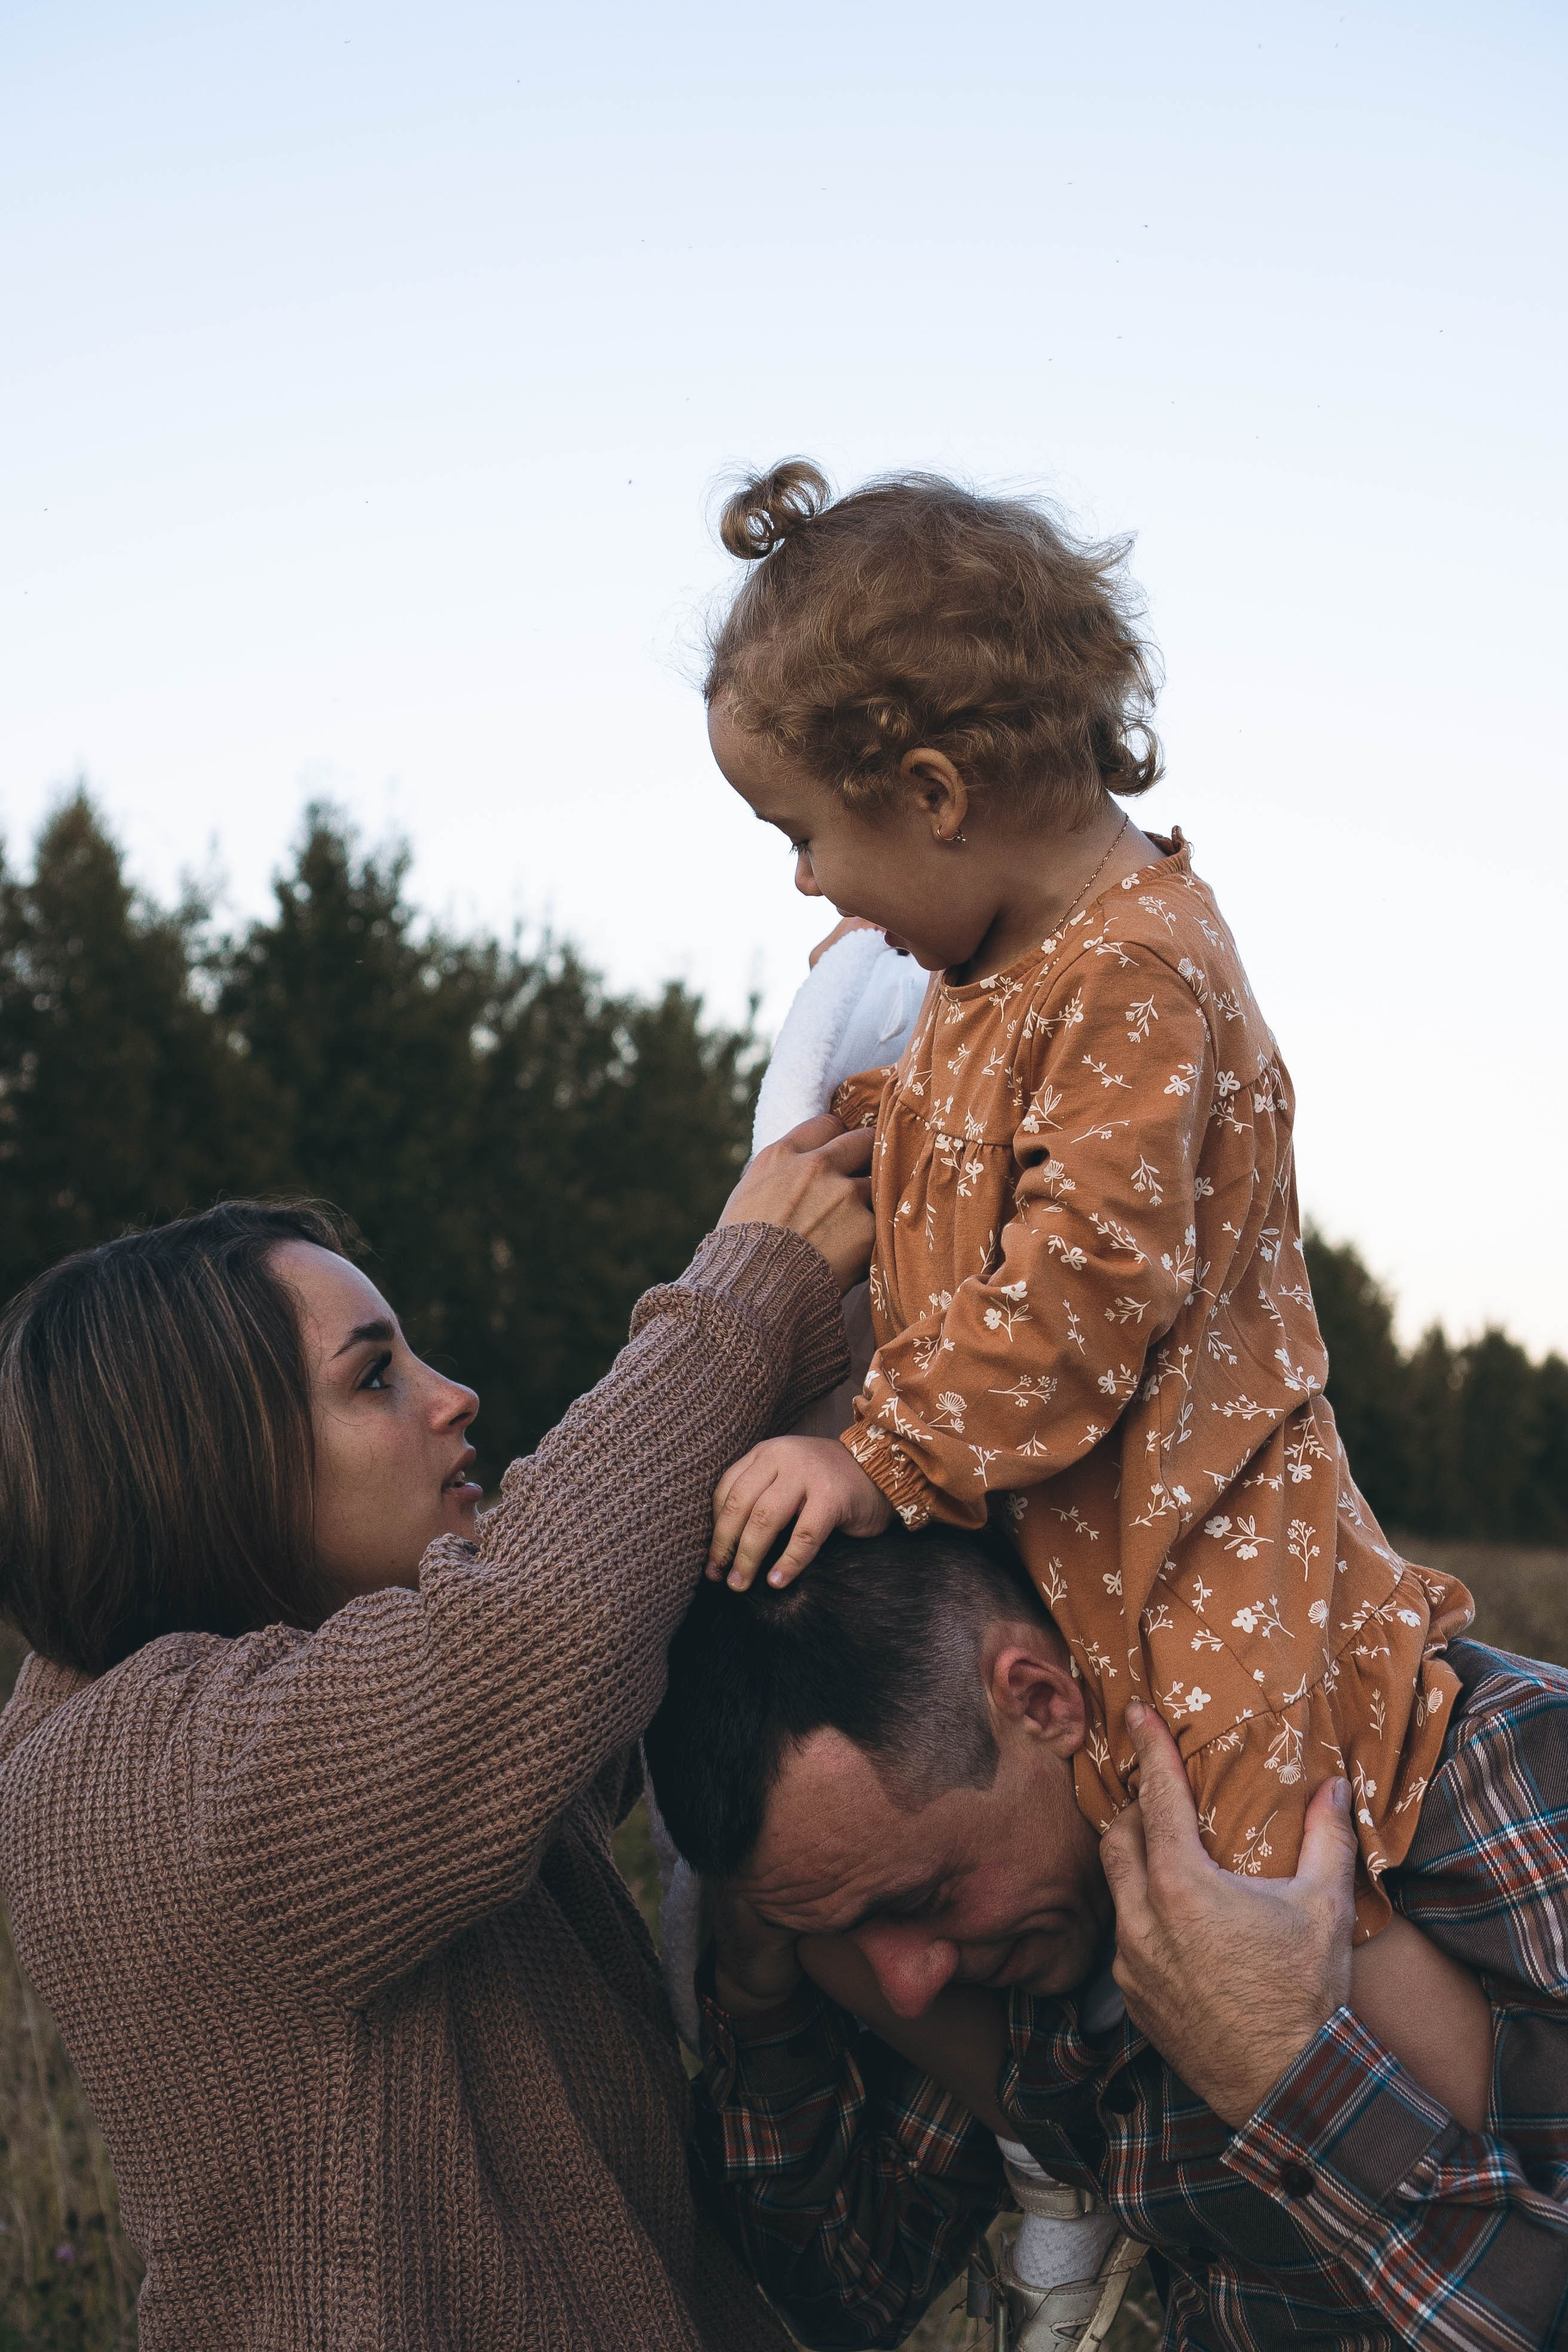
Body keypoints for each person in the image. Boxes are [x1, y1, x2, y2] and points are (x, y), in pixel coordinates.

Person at [699, 459, 1472, 1956]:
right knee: (1127, 1889)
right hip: (1096, 1566)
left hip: (1209, 1568)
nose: (807, 887)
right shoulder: (995, 961)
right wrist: (862, 1118)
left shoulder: (1132, 970)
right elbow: (972, 1147)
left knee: (1261, 1910)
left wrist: (876, 1456)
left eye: (801, 837)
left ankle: (1443, 2098)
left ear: (933, 797)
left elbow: (1082, 1291)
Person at [0, 1114, 872, 2352]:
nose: (455, 1397)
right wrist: (747, 1288)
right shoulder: (128, 1791)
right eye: (374, 1378)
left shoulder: (354, 1708)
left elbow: (607, 1615)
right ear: (203, 1467)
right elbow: (542, 1633)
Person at [646, 1529, 1568, 2351]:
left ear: (1041, 1701)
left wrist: (1288, 2074)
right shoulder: (1018, 1957)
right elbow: (850, 2295)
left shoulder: (1510, 1780)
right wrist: (762, 2012)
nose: (907, 1988)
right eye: (845, 1930)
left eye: (925, 1896)